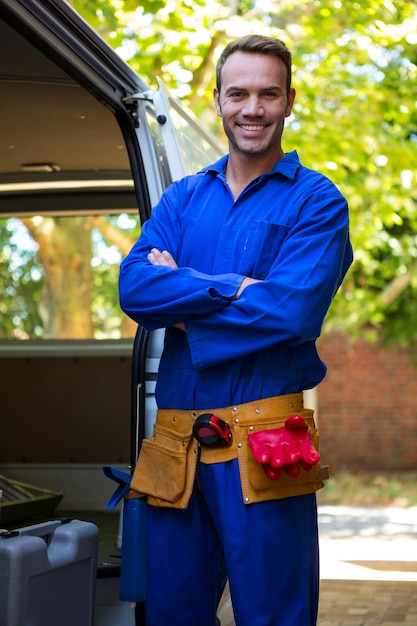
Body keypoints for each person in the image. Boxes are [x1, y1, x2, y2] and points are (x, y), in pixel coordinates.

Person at [119, 34, 353, 626]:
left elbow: (292, 312)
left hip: (269, 443)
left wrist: (185, 290)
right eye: (240, 93)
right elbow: (135, 290)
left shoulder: (317, 203)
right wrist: (235, 287)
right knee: (172, 615)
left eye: (268, 94)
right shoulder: (181, 198)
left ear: (289, 100)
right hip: (174, 447)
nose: (253, 108)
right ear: (219, 100)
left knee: (275, 615)